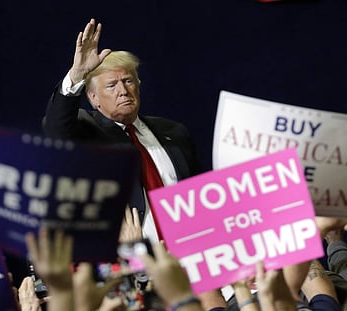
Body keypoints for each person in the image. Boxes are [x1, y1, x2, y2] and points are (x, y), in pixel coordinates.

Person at [42, 18, 226, 310]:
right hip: (132, 262)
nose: (123, 90)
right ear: (93, 97)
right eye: (111, 85)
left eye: (128, 81)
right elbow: (56, 129)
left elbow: (200, 192)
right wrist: (77, 73)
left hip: (195, 258)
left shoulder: (173, 131)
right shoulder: (86, 132)